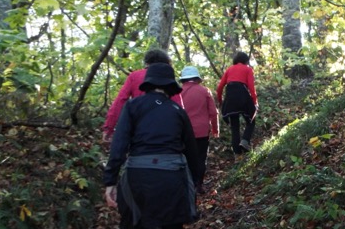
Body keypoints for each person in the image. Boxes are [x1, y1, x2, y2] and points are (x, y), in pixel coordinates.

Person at [103, 57, 199, 229]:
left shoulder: (133, 107)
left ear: (147, 85)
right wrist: (196, 185)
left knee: (137, 227)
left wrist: (110, 180)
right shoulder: (177, 112)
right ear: (170, 87)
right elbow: (192, 153)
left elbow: (119, 145)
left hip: (137, 177)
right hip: (171, 180)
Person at [102, 48, 184, 142]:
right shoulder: (167, 78)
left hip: (139, 129)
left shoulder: (134, 76)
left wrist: (109, 128)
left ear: (146, 62)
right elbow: (178, 106)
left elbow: (120, 101)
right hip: (165, 129)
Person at [178, 65, 219, 193]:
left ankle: (188, 185)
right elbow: (213, 112)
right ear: (197, 79)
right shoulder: (205, 91)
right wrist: (215, 129)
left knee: (185, 158)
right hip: (202, 131)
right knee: (201, 158)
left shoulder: (177, 92)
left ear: (183, 79)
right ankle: (198, 185)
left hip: (183, 132)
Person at [216, 51, 258, 154]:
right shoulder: (248, 69)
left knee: (235, 127)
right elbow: (252, 88)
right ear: (246, 61)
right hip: (242, 95)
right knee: (251, 120)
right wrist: (255, 101)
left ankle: (237, 155)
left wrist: (221, 101)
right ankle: (245, 141)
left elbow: (220, 88)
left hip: (230, 97)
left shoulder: (229, 70)